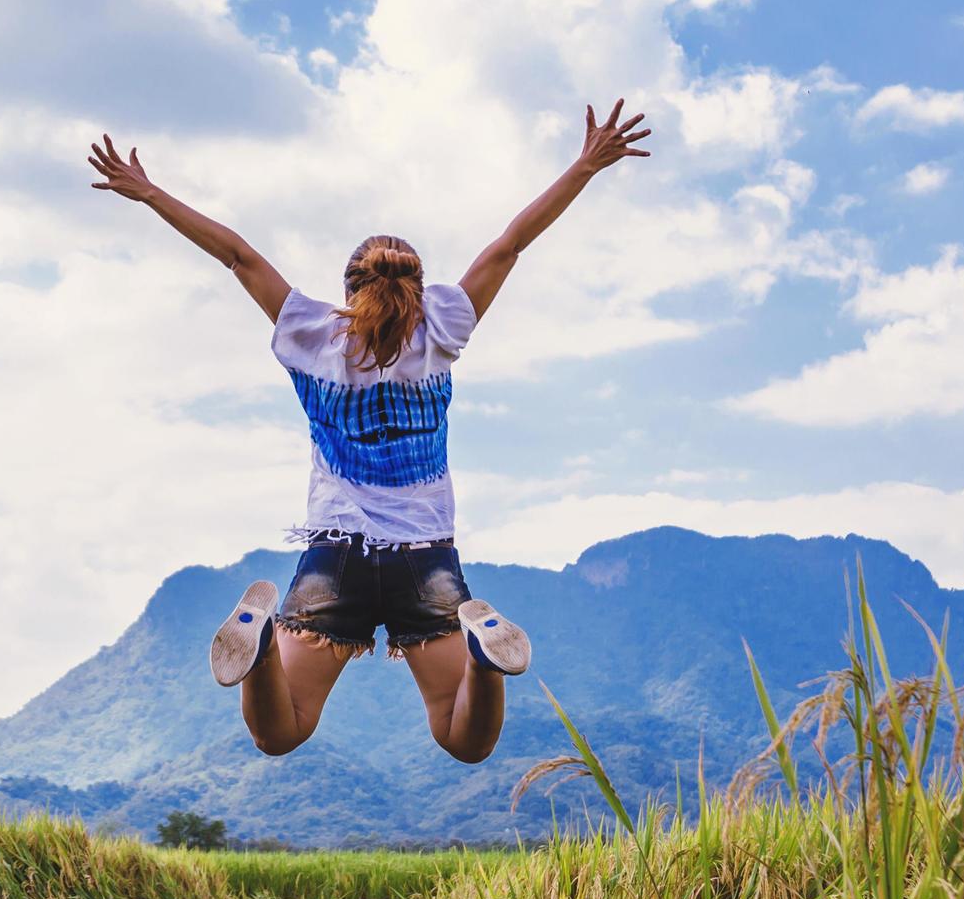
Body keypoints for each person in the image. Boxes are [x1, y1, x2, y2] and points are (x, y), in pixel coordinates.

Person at [87, 100, 652, 763]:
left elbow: (238, 257)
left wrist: (150, 192)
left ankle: (263, 644)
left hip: (336, 559)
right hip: (428, 562)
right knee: (462, 738)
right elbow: (509, 244)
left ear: (349, 287)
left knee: (281, 731)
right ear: (421, 289)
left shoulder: (311, 337)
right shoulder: (439, 332)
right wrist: (585, 166)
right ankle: (482, 656)